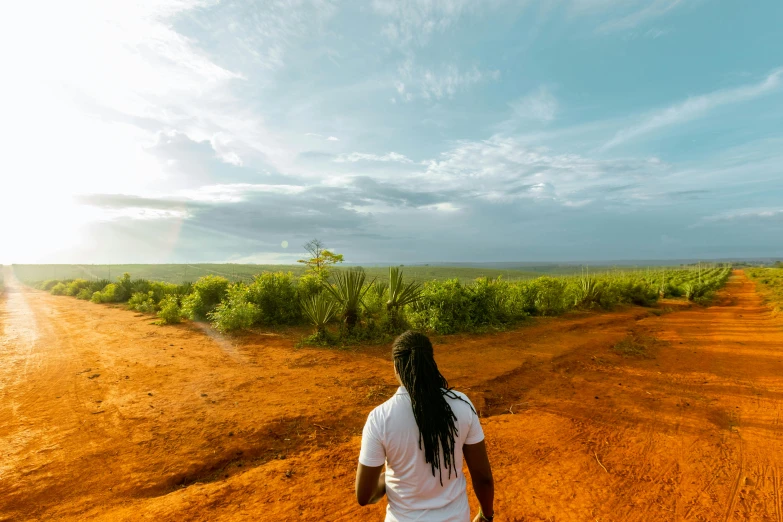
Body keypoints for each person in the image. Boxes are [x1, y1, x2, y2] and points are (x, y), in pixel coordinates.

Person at [355, 331, 495, 522]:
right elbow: (483, 478)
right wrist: (486, 515)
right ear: (431, 362)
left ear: (396, 367)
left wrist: (395, 477)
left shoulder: (380, 418)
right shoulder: (462, 405)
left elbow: (365, 495)